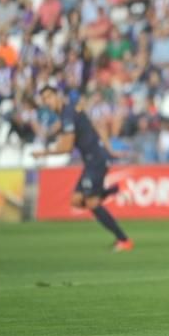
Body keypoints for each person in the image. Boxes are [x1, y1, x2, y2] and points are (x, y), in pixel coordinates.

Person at [33, 86, 133, 251]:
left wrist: (44, 153)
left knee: (92, 203)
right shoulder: (70, 112)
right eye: (44, 100)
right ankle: (115, 190)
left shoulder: (68, 114)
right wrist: (110, 150)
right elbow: (97, 126)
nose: (47, 102)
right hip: (93, 160)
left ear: (58, 96)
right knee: (76, 201)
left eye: (49, 97)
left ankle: (124, 240)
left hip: (96, 160)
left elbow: (67, 148)